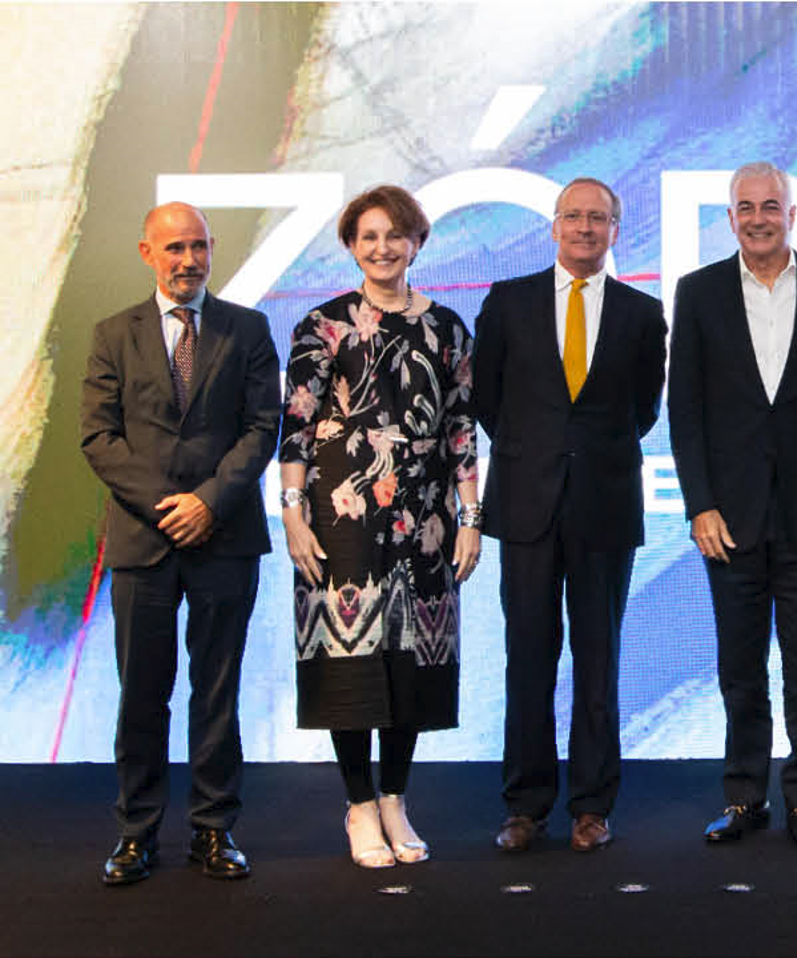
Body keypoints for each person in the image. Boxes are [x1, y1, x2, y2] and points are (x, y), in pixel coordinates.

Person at [279, 185, 480, 869]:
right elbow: (297, 425)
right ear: (350, 246)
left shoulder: (448, 327)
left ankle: (395, 798)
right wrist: (293, 514)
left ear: (417, 242)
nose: (382, 247)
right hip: (343, 516)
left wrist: (469, 519)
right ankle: (358, 804)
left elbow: (460, 429)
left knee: (412, 665)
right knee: (349, 662)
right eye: (368, 236)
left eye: (395, 234)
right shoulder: (322, 325)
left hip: (425, 519)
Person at [81, 202, 281, 885]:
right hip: (144, 541)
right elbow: (98, 437)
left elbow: (261, 429)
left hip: (224, 538)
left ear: (211, 249)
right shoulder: (114, 334)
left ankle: (214, 830)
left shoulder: (248, 329)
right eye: (173, 248)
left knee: (216, 692)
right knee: (142, 694)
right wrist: (168, 506)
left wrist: (208, 502)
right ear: (147, 253)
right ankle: (135, 835)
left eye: (197, 246)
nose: (187, 260)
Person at [669, 162, 797, 847]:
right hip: (730, 518)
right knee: (738, 666)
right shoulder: (697, 293)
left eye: (769, 207)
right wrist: (700, 505)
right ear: (729, 218)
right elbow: (684, 408)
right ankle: (745, 796)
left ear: (791, 215)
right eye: (744, 207)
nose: (757, 218)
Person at [473, 177, 667, 853]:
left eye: (599, 219)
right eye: (574, 217)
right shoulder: (507, 302)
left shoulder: (643, 314)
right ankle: (524, 806)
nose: (585, 228)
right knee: (526, 657)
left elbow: (642, 409)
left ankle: (591, 805)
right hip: (526, 505)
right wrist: (537, 455)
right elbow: (488, 402)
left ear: (616, 230)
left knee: (599, 660)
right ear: (553, 227)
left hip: (604, 509)